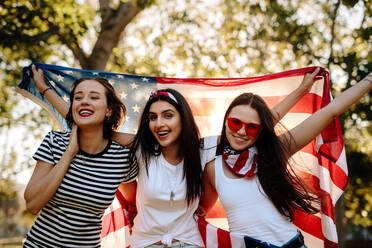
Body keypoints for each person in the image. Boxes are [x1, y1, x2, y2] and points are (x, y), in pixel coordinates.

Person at [31, 64, 319, 247]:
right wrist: (45, 89)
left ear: (182, 119)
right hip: (145, 243)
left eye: (168, 116)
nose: (160, 124)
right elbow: (89, 122)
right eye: (153, 118)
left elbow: (257, 125)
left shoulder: (204, 149)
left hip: (188, 243)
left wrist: (299, 91)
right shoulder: (143, 150)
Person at [199, 71, 372, 247]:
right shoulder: (213, 169)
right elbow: (197, 212)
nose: (242, 131)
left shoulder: (273, 153)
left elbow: (331, 111)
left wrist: (369, 80)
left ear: (260, 130)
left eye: (251, 127)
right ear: (226, 121)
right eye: (236, 123)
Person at [23, 76, 138, 247]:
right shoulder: (55, 142)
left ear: (109, 110)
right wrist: (69, 153)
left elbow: (135, 204)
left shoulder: (122, 158)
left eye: (94, 97)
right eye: (78, 97)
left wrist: (103, 133)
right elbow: (32, 205)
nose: (84, 101)